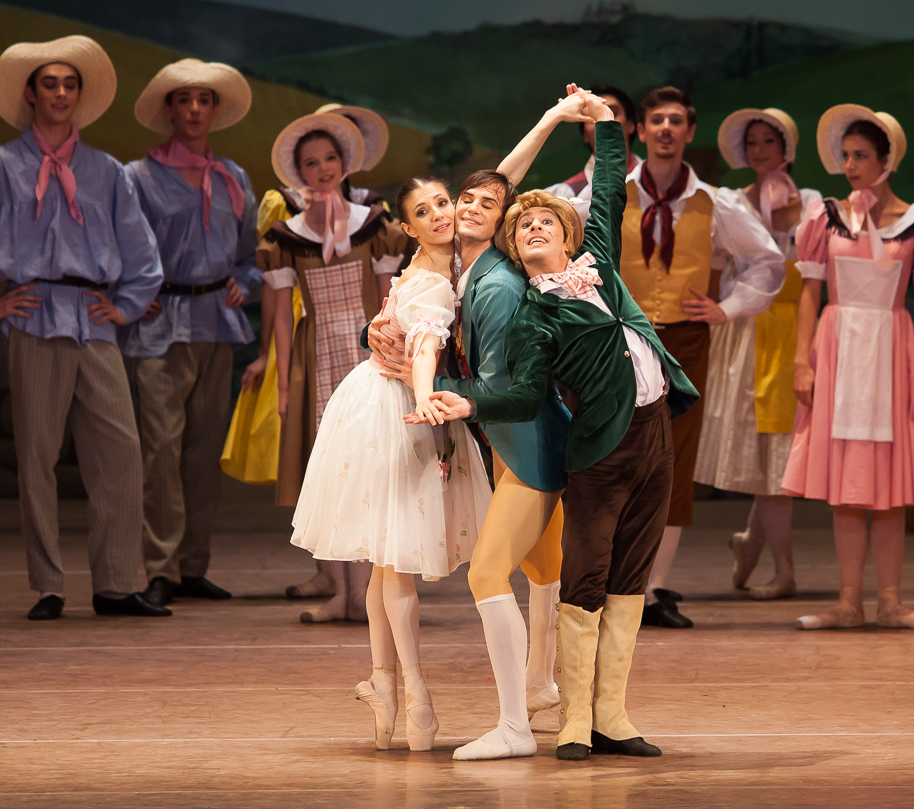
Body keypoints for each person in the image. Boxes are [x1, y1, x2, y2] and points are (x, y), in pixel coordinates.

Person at [421, 87, 699, 761]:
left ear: (568, 235)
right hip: (600, 449)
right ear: (516, 250)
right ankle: (574, 718)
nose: (536, 228)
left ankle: (612, 717)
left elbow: (609, 190)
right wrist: (464, 400)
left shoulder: (597, 260)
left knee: (632, 579)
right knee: (586, 578)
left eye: (546, 221)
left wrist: (605, 124)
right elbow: (520, 394)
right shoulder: (534, 316)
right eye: (525, 228)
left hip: (656, 435)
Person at [363, 95, 597, 760]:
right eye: (458, 199)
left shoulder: (491, 281)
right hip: (516, 441)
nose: (464, 208)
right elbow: (496, 188)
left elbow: (503, 387)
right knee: (542, 564)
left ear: (503, 221)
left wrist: (441, 391)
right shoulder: (462, 265)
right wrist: (384, 327)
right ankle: (540, 687)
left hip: (526, 439)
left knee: (492, 573)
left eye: (482, 205)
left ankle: (518, 721)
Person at [0, 35, 166, 620]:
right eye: (50, 84)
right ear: (31, 94)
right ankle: (49, 585)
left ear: (79, 95)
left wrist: (126, 305)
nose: (60, 93)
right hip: (34, 316)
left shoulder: (106, 171)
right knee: (37, 455)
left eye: (69, 84)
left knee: (120, 451)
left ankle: (115, 584)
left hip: (93, 322)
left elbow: (142, 252)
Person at [292, 176, 493, 751]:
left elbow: (499, 180)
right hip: (387, 409)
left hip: (388, 401)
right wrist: (425, 394)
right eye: (423, 212)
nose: (440, 215)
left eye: (443, 203)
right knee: (391, 557)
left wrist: (547, 130)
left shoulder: (443, 264)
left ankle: (397, 691)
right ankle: (408, 696)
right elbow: (424, 343)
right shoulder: (428, 276)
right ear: (407, 227)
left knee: (390, 561)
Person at [781, 106, 914, 630]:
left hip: (892, 351)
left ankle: (891, 603)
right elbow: (810, 291)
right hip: (838, 351)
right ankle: (849, 602)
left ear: (886, 160)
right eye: (846, 155)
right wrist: (801, 359)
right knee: (848, 484)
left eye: (861, 156)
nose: (850, 165)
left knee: (892, 483)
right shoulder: (826, 217)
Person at [621, 85, 785, 626]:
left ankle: (653, 587)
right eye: (657, 120)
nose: (666, 129)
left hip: (685, 341)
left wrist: (727, 307)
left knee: (674, 460)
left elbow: (768, 262)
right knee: (616, 458)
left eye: (676, 121)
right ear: (641, 130)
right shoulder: (611, 193)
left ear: (690, 131)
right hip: (621, 341)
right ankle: (617, 583)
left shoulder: (717, 202)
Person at [258, 105, 409, 623]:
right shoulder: (286, 236)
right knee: (331, 475)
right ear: (297, 172)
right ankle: (343, 593)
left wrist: (395, 364)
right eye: (310, 162)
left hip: (367, 355)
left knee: (370, 474)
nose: (322, 169)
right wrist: (283, 385)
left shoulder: (375, 226)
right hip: (316, 357)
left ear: (345, 163)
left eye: (329, 159)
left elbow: (390, 301)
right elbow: (283, 315)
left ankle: (365, 595)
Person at [120, 60, 261, 607]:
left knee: (203, 453)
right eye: (185, 100)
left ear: (215, 110)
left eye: (204, 100)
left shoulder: (232, 177)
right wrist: (135, 291)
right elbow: (120, 245)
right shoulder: (139, 176)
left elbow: (248, 255)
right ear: (169, 110)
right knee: (161, 450)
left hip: (215, 323)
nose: (196, 109)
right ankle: (160, 567)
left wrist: (244, 283)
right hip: (161, 325)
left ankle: (192, 565)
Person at [695, 107, 820, 600]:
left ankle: (753, 542)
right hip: (747, 330)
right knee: (769, 457)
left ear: (787, 147)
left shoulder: (813, 203)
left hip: (796, 328)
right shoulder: (731, 202)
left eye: (770, 141)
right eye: (753, 142)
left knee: (780, 456)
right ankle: (782, 568)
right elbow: (717, 265)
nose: (761, 150)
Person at [547, 84, 640, 205]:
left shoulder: (657, 181)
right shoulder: (565, 197)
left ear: (631, 125)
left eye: (612, 113)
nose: (604, 121)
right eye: (593, 116)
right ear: (584, 135)